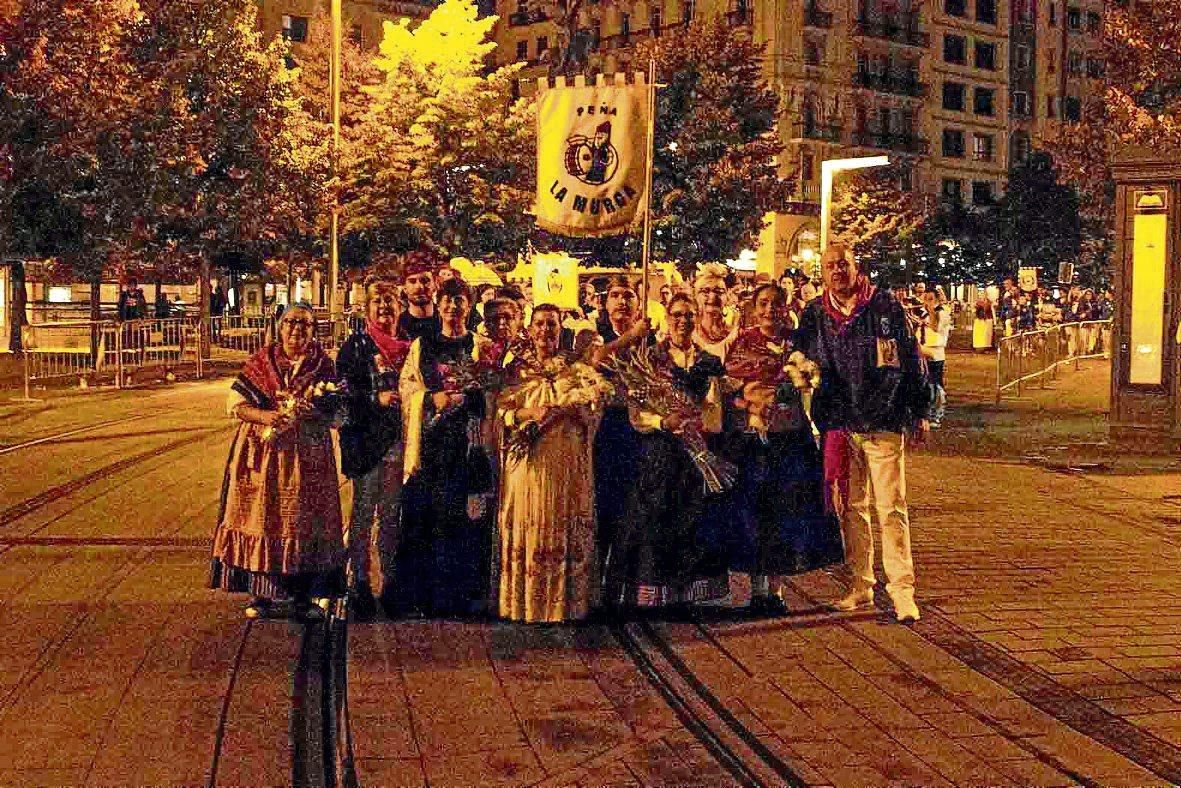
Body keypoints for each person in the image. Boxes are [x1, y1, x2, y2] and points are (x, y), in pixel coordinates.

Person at [794, 244, 930, 624]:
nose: (837, 271)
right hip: (840, 424)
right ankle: (861, 584)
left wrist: (919, 411)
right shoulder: (816, 312)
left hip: (882, 420)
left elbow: (910, 357)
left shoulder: (884, 306)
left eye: (844, 264)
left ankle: (903, 591)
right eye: (830, 266)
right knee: (852, 510)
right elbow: (799, 356)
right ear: (821, 272)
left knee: (891, 508)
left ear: (857, 268)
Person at [210, 304, 344, 619]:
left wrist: (313, 411)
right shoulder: (261, 362)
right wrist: (267, 415)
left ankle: (305, 597)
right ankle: (262, 595)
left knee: (305, 519)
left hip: (308, 456)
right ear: (279, 327)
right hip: (263, 452)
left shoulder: (323, 366)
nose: (297, 329)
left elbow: (339, 414)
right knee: (263, 516)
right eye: (291, 322)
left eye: (305, 324)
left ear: (314, 331)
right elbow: (236, 405)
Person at [604, 294, 733, 611]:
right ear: (666, 317)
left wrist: (696, 423)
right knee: (655, 518)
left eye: (689, 315)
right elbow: (637, 415)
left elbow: (716, 413)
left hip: (694, 452)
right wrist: (664, 420)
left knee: (690, 520)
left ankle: (685, 594)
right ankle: (652, 593)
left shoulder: (708, 361)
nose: (683, 321)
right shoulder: (649, 359)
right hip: (658, 453)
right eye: (677, 315)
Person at [726, 284, 844, 613]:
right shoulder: (744, 343)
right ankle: (756, 589)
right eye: (762, 304)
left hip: (792, 438)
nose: (769, 310)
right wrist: (750, 403)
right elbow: (730, 389)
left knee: (784, 513)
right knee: (756, 514)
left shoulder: (798, 343)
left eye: (775, 304)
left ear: (785, 307)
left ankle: (775, 591)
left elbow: (818, 380)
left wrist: (802, 385)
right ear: (753, 307)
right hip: (756, 440)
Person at [496, 304, 611, 622]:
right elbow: (501, 413)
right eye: (540, 324)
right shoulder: (516, 370)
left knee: (563, 523)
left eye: (552, 325)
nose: (545, 330)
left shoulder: (576, 370)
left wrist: (571, 410)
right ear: (530, 329)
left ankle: (565, 604)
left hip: (565, 465)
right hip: (528, 465)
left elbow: (593, 411)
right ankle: (527, 604)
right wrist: (528, 414)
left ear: (561, 330)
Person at [395, 277, 496, 617]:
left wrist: (474, 397)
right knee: (426, 518)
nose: (453, 307)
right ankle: (425, 597)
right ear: (438, 305)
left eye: (460, 300)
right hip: (431, 448)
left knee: (465, 522)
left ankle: (462, 597)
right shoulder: (423, 346)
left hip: (468, 447)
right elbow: (407, 389)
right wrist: (431, 399)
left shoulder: (482, 347)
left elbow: (495, 393)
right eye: (448, 300)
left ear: (470, 307)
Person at [336, 274, 410, 621]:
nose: (384, 306)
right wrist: (374, 398)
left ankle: (391, 582)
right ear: (366, 308)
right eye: (377, 300)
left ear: (401, 306)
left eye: (390, 299)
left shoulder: (412, 345)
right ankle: (359, 583)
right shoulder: (356, 347)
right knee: (363, 516)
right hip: (368, 446)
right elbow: (343, 394)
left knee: (392, 517)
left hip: (400, 444)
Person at [397, 251, 442, 341]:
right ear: (404, 287)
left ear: (436, 284)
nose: (419, 287)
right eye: (412, 281)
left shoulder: (448, 319)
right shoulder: (398, 325)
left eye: (425, 280)